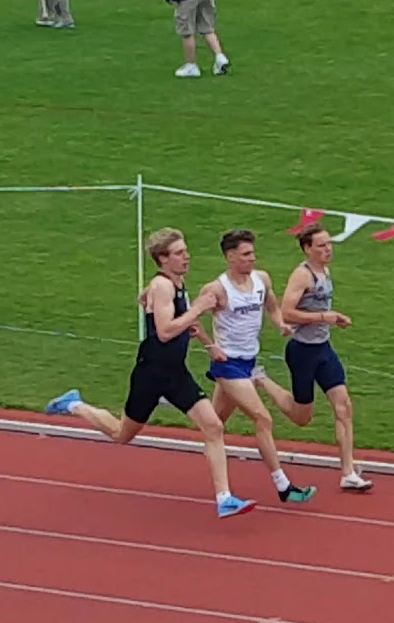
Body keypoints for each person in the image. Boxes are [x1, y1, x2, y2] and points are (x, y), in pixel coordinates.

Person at [42, 227, 256, 519]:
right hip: (152, 373)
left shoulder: (175, 282)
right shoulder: (163, 286)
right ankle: (74, 404)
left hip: (175, 372)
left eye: (185, 251)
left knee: (214, 426)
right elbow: (166, 332)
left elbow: (177, 319)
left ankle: (224, 499)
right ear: (162, 259)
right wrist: (198, 308)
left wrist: (207, 344)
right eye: (179, 253)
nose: (187, 256)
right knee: (121, 434)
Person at [196, 229, 318, 504]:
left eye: (252, 253)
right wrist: (210, 346)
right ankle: (284, 487)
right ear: (230, 257)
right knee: (262, 419)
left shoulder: (261, 280)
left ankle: (162, 403)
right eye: (246, 254)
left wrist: (280, 325)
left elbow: (272, 307)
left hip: (248, 360)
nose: (252, 258)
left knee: (213, 424)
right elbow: (191, 318)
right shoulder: (216, 290)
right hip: (227, 365)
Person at [252, 222, 374, 492]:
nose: (328, 249)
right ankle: (260, 379)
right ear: (308, 249)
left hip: (323, 349)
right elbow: (286, 312)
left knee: (343, 406)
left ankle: (348, 472)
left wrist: (333, 319)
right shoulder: (302, 276)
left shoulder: (324, 271)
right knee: (302, 417)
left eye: (329, 244)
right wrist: (324, 317)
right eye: (322, 245)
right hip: (302, 352)